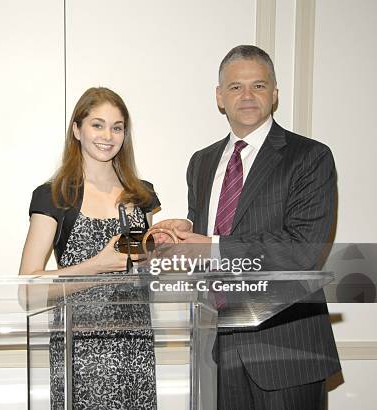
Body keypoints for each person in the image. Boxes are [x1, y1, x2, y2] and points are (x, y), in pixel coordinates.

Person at [152, 45, 341, 409]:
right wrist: (183, 231)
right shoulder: (201, 162)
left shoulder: (310, 157)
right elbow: (214, 231)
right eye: (235, 87)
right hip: (217, 345)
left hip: (287, 348)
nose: (247, 95)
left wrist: (212, 246)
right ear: (220, 97)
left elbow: (305, 249)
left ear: (274, 94)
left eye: (258, 85)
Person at [19, 87, 160, 409]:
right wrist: (96, 266)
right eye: (97, 124)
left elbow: (150, 271)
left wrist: (169, 244)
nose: (107, 136)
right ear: (76, 130)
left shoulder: (142, 195)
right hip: (80, 347)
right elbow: (28, 289)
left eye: (117, 127)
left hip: (135, 344)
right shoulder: (53, 196)